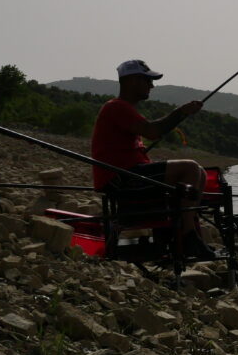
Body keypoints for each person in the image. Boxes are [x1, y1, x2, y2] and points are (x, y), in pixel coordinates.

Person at [91, 59, 214, 259]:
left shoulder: (125, 109)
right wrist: (181, 112)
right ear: (131, 81)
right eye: (147, 80)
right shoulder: (115, 107)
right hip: (120, 179)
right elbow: (153, 131)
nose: (152, 85)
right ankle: (188, 235)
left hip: (128, 175)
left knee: (199, 173)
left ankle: (184, 233)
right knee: (191, 168)